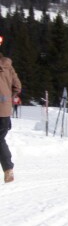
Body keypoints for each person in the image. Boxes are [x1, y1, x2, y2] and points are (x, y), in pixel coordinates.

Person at [0, 34, 22, 183]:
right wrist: (7, 98)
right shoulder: (8, 65)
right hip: (4, 110)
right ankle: (8, 170)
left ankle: (8, 169)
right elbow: (17, 86)